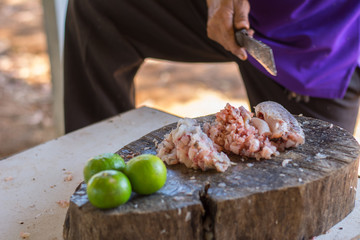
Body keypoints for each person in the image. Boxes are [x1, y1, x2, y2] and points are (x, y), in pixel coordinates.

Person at [64, 0, 360, 134]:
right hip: (240, 13)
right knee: (100, 8)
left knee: (311, 199)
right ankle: (98, 163)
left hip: (327, 39)